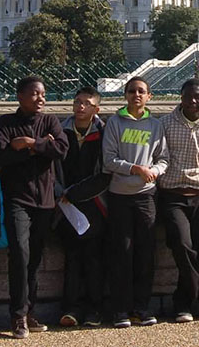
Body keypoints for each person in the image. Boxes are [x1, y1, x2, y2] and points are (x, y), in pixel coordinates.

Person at [0, 76, 69, 338]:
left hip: (45, 201)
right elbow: (1, 155)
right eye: (35, 94)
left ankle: (30, 311)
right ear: (20, 96)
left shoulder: (50, 121)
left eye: (43, 94)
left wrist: (31, 143)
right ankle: (17, 316)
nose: (41, 99)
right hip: (17, 199)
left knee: (34, 259)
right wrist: (36, 148)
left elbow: (60, 149)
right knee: (20, 254)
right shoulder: (6, 123)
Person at [102, 76, 170, 329]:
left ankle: (142, 306)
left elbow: (163, 158)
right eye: (132, 91)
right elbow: (108, 160)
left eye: (141, 91)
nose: (136, 95)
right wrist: (135, 169)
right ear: (125, 95)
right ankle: (120, 309)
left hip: (146, 195)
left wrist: (154, 171)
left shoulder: (156, 125)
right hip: (120, 195)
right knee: (122, 252)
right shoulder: (114, 123)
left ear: (149, 96)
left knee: (145, 253)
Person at [159, 78, 199, 323]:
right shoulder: (164, 124)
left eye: (198, 97)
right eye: (188, 96)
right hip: (172, 194)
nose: (193, 101)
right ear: (181, 97)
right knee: (183, 245)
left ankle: (182, 302)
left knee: (195, 251)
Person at [55, 86, 111, 329]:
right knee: (72, 257)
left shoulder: (104, 132)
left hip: (94, 202)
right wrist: (63, 193)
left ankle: (95, 308)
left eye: (86, 103)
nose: (80, 107)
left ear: (96, 109)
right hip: (65, 205)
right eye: (77, 101)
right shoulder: (60, 131)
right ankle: (71, 308)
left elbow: (105, 171)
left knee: (94, 258)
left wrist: (77, 193)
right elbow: (52, 167)